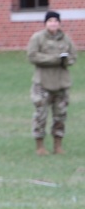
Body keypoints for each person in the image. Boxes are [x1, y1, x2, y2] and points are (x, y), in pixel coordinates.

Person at [27, 10, 76, 155]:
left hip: (61, 84)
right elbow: (32, 56)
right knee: (40, 115)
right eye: (50, 21)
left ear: (59, 23)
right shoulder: (37, 38)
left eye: (56, 21)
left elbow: (73, 57)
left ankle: (58, 146)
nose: (53, 24)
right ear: (45, 23)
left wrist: (65, 60)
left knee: (60, 116)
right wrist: (55, 59)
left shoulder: (66, 39)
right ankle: (40, 146)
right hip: (42, 83)